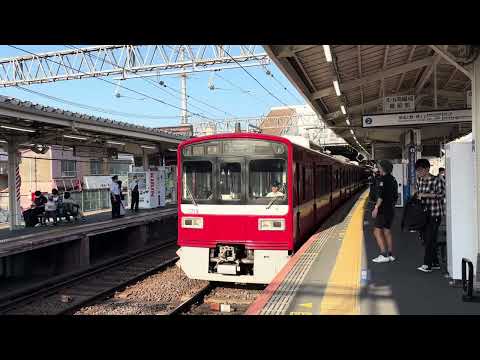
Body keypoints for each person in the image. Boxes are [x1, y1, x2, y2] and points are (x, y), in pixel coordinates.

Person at [415, 159, 445, 273]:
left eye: (420, 170)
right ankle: (435, 262)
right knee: (428, 239)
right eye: (417, 170)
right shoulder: (419, 180)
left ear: (427, 169)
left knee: (429, 239)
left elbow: (442, 195)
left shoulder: (437, 180)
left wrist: (426, 195)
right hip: (423, 215)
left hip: (435, 213)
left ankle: (427, 264)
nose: (418, 172)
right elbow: (418, 193)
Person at [371, 160, 398, 263]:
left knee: (377, 231)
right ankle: (390, 254)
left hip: (383, 210)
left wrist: (376, 208)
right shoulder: (393, 179)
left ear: (383, 168)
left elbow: (381, 196)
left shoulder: (383, 179)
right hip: (391, 209)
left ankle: (383, 255)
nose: (378, 169)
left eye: (379, 167)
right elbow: (395, 196)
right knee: (387, 231)